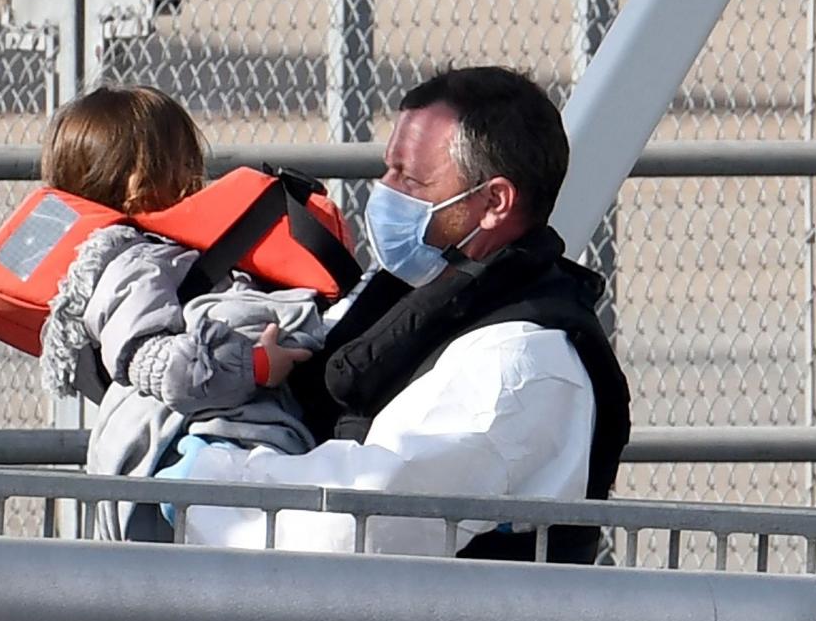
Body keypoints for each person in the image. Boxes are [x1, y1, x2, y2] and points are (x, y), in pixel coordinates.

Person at [161, 66, 632, 560]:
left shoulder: (519, 366)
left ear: (494, 201)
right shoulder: (417, 300)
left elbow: (363, 522)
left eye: (410, 179)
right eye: (388, 169)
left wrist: (212, 480)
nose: (384, 192)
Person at [36, 84, 341, 541]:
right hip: (179, 462)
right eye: (182, 162)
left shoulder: (159, 254)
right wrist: (257, 365)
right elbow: (162, 365)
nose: (194, 177)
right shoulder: (130, 264)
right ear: (139, 181)